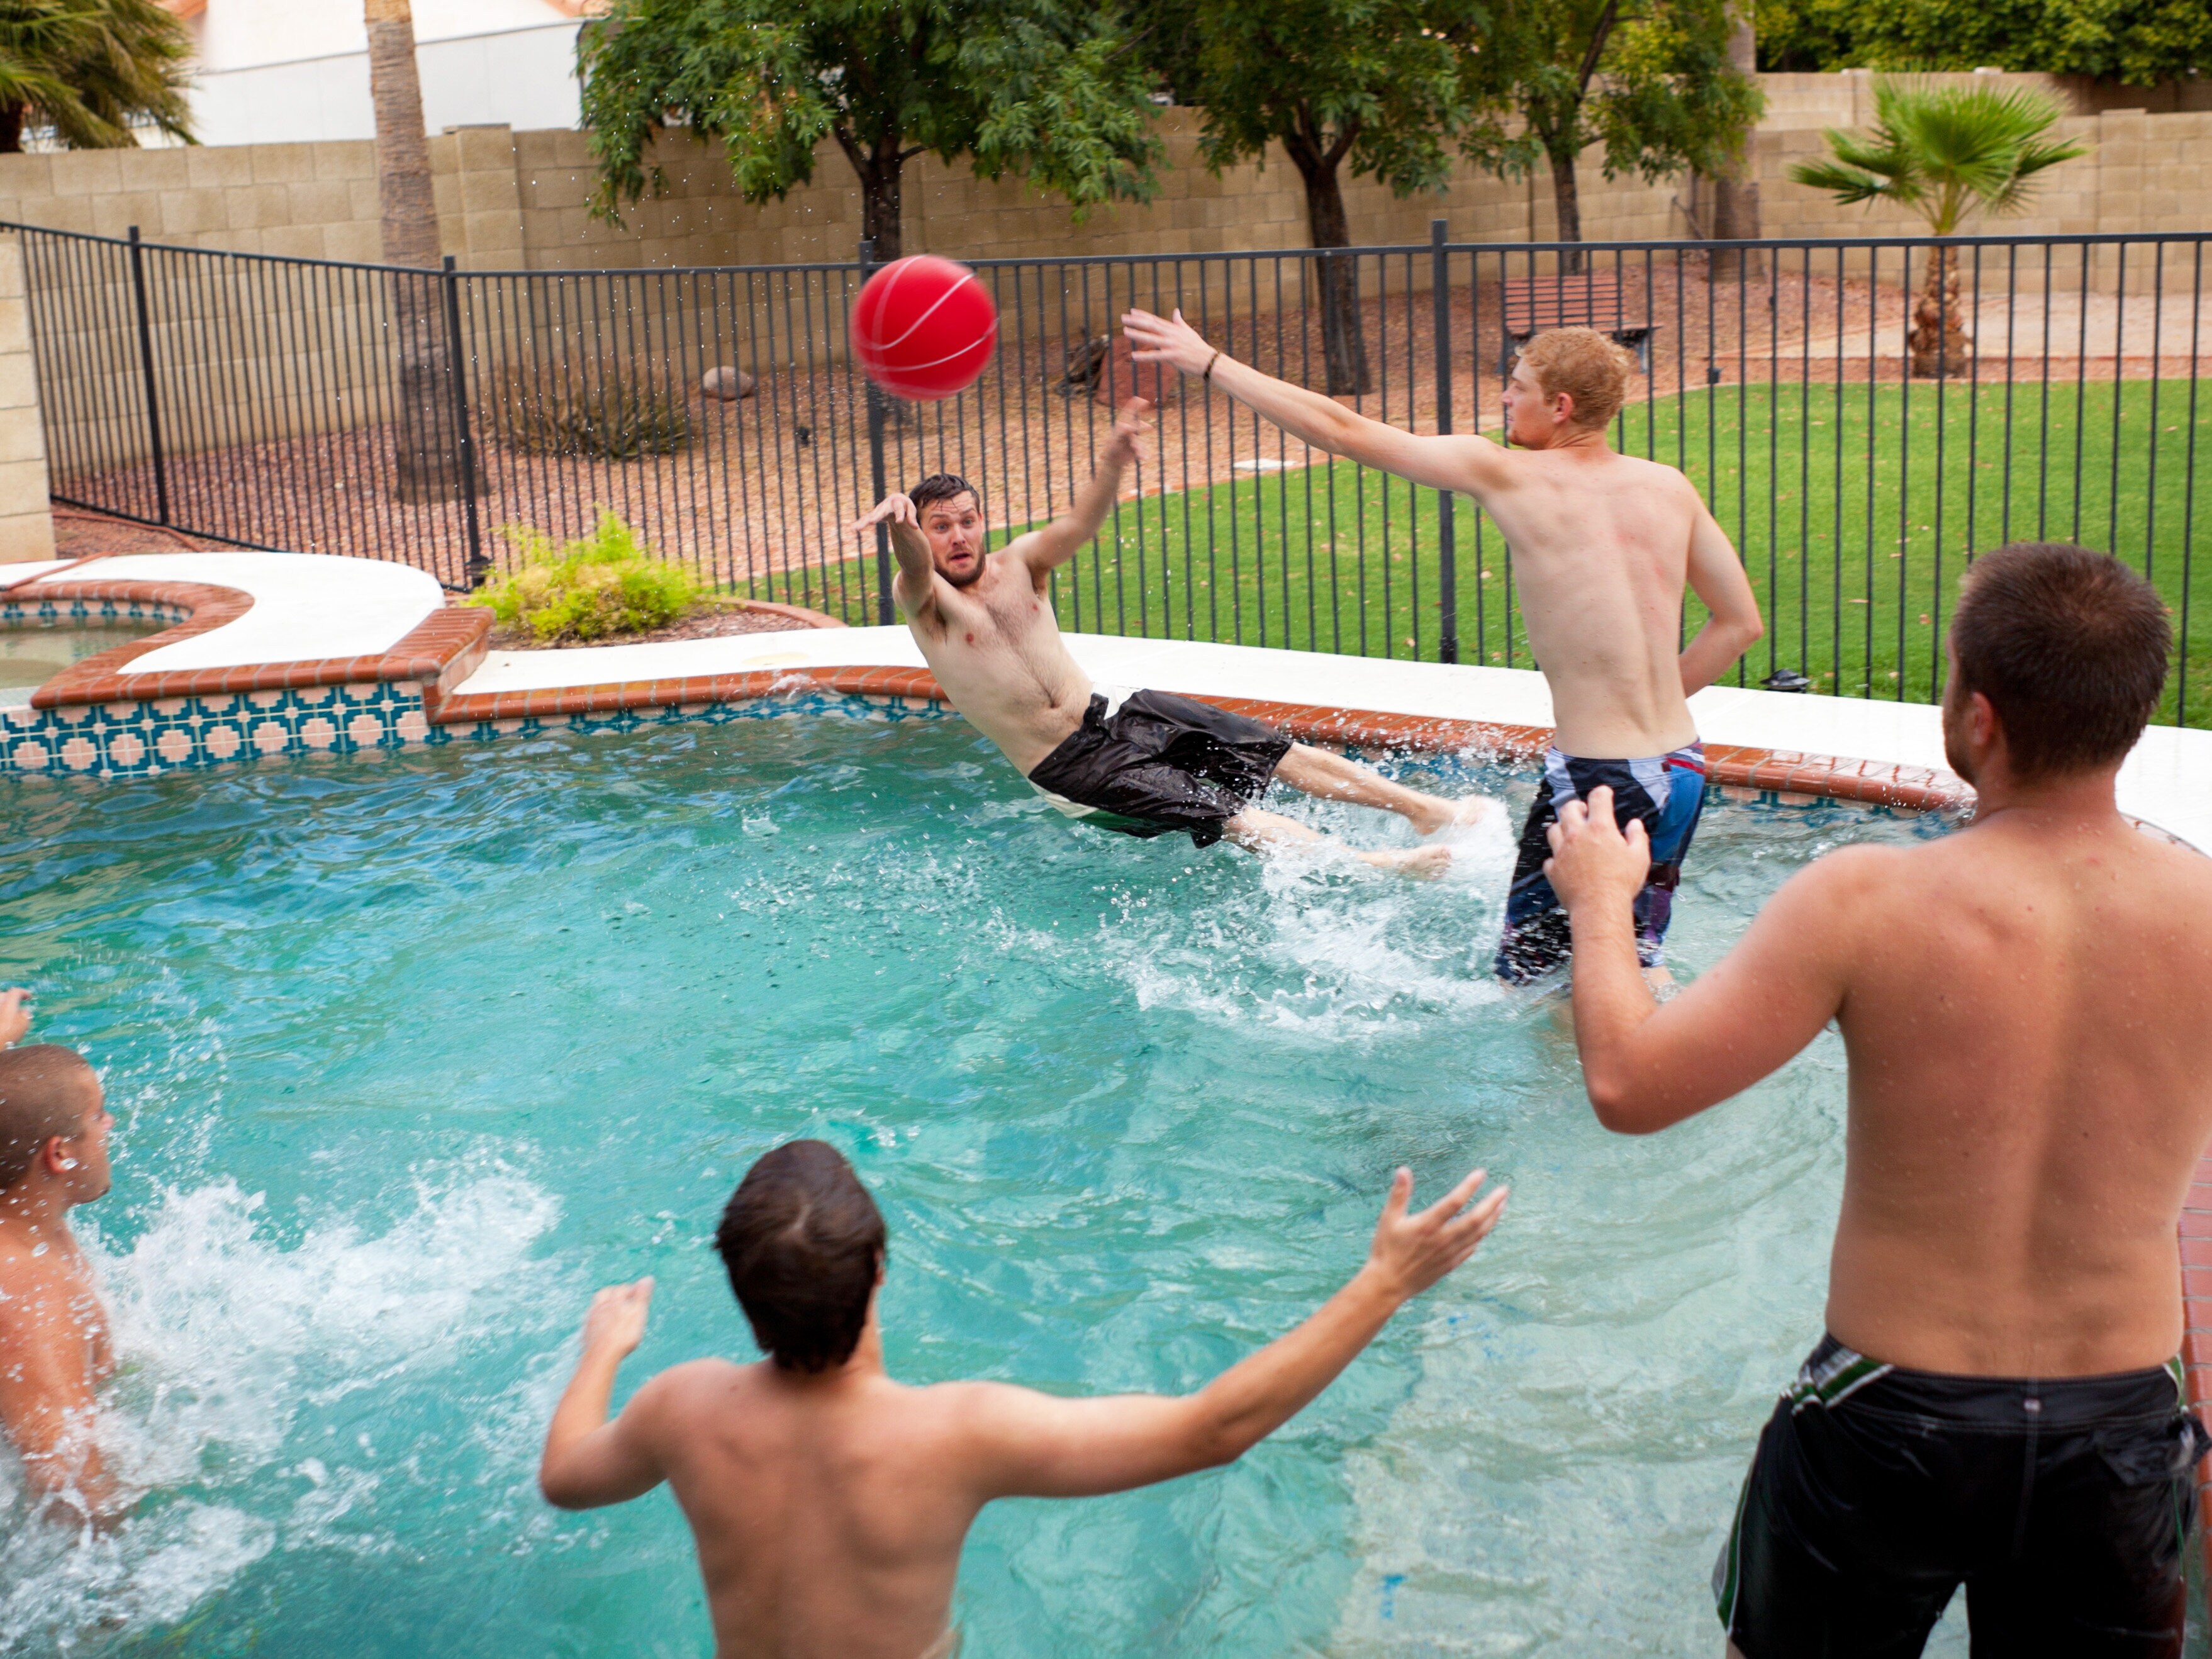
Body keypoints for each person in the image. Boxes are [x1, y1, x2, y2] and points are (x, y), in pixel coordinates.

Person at [1541, 542, 2212, 1658]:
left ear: (1979, 716)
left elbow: (1626, 1085)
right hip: (2122, 1423)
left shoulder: (1866, 899)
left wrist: (1601, 904)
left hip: (1890, 1412)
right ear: (2132, 716)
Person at [540, 1138, 1507, 1658]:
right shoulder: (954, 1433)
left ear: (738, 1290)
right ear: (880, 1268)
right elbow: (1215, 1428)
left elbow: (566, 1479)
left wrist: (605, 1349)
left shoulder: (679, 1407)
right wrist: (1384, 1283)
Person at [1119, 312, 1765, 979]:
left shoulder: (1512, 474)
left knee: (1537, 982)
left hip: (1599, 781)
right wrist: (1645, 710)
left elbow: (1343, 431)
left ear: (1561, 406)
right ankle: (1665, 1075)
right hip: (1680, 768)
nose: (1506, 397)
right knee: (1629, 960)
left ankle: (1592, 1087)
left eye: (1517, 387)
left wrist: (1211, 363)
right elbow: (1739, 624)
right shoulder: (1670, 488)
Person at [847, 398, 1495, 876]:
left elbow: (1080, 522)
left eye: (966, 521)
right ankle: (1375, 865)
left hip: (1114, 711)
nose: (956, 537)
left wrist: (1111, 462)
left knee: (1277, 751)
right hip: (1066, 764)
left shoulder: (1022, 566)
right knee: (1227, 814)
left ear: (982, 520)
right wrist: (901, 524)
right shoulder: (929, 606)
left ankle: (1426, 809)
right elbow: (908, 565)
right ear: (924, 535)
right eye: (939, 527)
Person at [0, 1026, 122, 1529]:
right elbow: (66, 1475)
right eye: (97, 1115)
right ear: (59, 1154)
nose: (109, 1123)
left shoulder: (29, 1226)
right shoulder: (31, 1289)